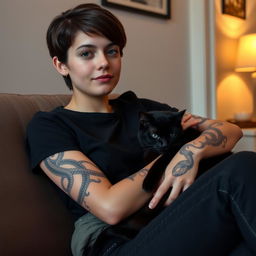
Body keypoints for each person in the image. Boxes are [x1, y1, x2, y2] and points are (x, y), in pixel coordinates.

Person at [26, 3, 256, 256]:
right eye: (86, 54)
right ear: (61, 65)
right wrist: (172, 156)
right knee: (239, 169)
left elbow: (228, 130)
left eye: (112, 51)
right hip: (117, 242)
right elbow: (110, 208)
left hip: (172, 220)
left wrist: (191, 151)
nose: (104, 63)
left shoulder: (141, 108)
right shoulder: (50, 125)